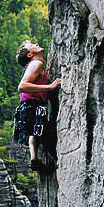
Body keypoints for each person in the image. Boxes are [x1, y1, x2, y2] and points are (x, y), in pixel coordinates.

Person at [16, 40, 61, 172]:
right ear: (30, 54)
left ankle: (34, 158)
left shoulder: (33, 65)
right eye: (31, 45)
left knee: (36, 132)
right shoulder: (36, 63)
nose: (35, 43)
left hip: (28, 109)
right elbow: (22, 86)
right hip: (33, 107)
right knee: (59, 157)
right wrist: (50, 86)